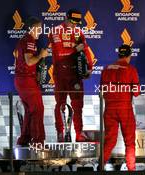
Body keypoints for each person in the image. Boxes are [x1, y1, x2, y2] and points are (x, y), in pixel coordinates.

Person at [49, 9, 93, 142]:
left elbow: (85, 50)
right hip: (61, 74)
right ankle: (60, 134)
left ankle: (79, 133)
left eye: (77, 23)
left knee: (78, 105)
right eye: (72, 22)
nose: (74, 25)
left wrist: (90, 68)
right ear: (66, 18)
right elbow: (60, 53)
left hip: (75, 75)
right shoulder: (55, 31)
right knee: (60, 104)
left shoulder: (79, 32)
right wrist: (75, 49)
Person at [100, 44, 140, 171]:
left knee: (109, 142)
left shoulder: (106, 69)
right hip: (125, 110)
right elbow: (137, 92)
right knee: (129, 142)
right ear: (129, 56)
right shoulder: (131, 69)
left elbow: (102, 91)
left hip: (109, 109)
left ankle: (100, 168)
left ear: (119, 55)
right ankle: (131, 169)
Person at [14, 16, 48, 146]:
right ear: (32, 28)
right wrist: (41, 55)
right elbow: (29, 61)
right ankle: (38, 142)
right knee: (38, 109)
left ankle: (24, 140)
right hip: (26, 80)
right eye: (39, 28)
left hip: (22, 80)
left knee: (29, 111)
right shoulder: (29, 40)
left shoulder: (24, 40)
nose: (40, 31)